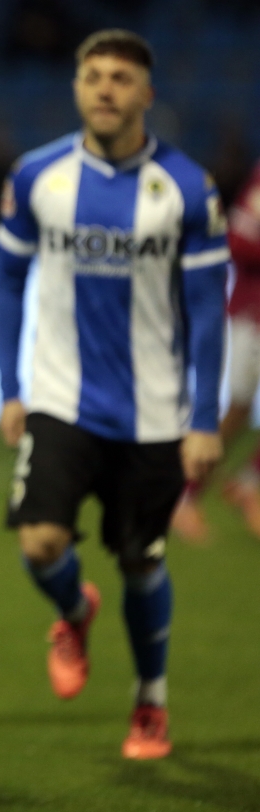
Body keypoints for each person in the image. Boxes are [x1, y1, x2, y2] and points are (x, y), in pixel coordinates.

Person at [0, 29, 228, 760]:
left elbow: (210, 308)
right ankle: (73, 608)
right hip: (62, 401)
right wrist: (11, 388)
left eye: (121, 78)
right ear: (76, 87)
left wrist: (205, 416)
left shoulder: (187, 189)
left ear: (146, 95)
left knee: (141, 562)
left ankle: (150, 702)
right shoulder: (37, 177)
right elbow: (8, 285)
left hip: (155, 414)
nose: (104, 88)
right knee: (40, 544)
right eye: (93, 75)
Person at [171, 157, 260, 541]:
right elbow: (239, 243)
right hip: (252, 313)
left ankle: (248, 482)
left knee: (239, 409)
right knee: (238, 409)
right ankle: (185, 496)